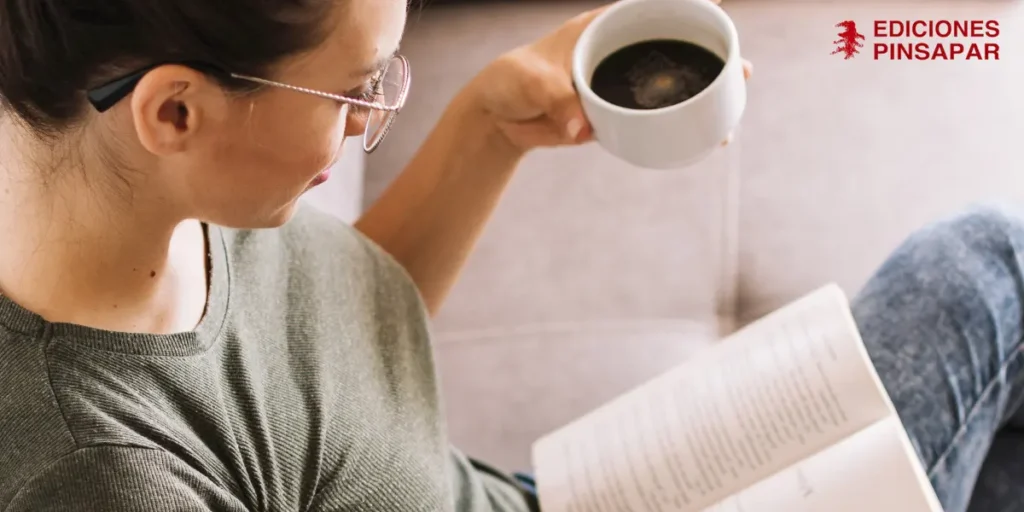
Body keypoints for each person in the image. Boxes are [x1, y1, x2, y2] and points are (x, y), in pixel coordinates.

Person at [0, 0, 1019, 510]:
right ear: (175, 109)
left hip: (537, 490)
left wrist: (487, 121)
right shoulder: (107, 471)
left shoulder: (112, 174)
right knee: (991, 271)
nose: (377, 110)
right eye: (356, 90)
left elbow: (311, 365)